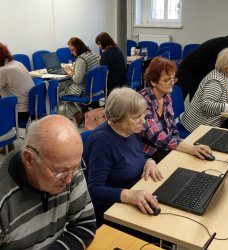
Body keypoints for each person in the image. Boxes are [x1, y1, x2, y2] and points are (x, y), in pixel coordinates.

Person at [0, 115, 96, 249]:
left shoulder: (69, 166)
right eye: (60, 172)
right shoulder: (3, 199)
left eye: (76, 167)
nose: (69, 180)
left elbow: (85, 224)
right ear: (29, 159)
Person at [84, 87, 163, 227]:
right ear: (118, 117)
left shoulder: (130, 130)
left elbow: (135, 156)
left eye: (143, 115)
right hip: (113, 211)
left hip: (136, 194)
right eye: (137, 117)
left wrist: (149, 161)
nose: (143, 121)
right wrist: (129, 195)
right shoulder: (102, 142)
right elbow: (94, 190)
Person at [139, 57, 212, 164]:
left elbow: (173, 127)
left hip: (165, 146)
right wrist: (188, 148)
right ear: (153, 82)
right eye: (167, 80)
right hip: (149, 154)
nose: (172, 82)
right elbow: (156, 136)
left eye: (173, 79)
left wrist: (181, 144)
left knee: (194, 159)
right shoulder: (142, 101)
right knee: (187, 162)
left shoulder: (166, 96)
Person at [180, 48, 228, 132]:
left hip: (211, 119)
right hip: (198, 125)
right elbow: (207, 105)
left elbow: (218, 96)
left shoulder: (224, 74)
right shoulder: (215, 80)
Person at [176, 26, 228, 101]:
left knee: (197, 102)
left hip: (202, 74)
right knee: (176, 102)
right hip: (188, 70)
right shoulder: (223, 45)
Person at [0, 43, 34, 153]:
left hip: (20, 112)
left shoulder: (3, 71)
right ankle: (8, 145)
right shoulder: (17, 63)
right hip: (31, 108)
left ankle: (7, 143)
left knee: (4, 106)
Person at [62, 37, 100, 126]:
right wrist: (76, 71)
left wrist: (69, 71)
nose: (71, 53)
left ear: (75, 48)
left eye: (71, 50)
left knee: (61, 92)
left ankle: (78, 115)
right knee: (70, 88)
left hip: (85, 91)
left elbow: (78, 80)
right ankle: (85, 111)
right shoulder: (91, 53)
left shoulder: (81, 59)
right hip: (96, 89)